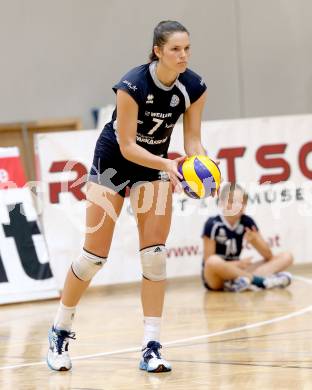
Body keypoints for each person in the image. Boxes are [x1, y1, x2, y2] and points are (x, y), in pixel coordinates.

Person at [47, 20, 208, 373]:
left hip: (154, 166)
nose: (183, 56)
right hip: (114, 164)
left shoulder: (193, 86)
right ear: (158, 51)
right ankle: (60, 329)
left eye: (187, 49)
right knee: (93, 257)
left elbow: (193, 140)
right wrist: (169, 164)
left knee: (154, 256)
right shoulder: (132, 84)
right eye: (175, 49)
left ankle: (151, 345)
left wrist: (200, 166)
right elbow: (127, 145)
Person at [202, 183, 293, 292]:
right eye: (233, 202)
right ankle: (260, 282)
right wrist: (237, 264)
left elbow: (269, 256)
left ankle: (241, 283)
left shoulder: (247, 222)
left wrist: (255, 241)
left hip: (238, 272)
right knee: (213, 261)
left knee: (287, 256)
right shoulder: (212, 224)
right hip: (216, 277)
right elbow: (208, 261)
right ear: (222, 203)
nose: (239, 206)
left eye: (242, 202)